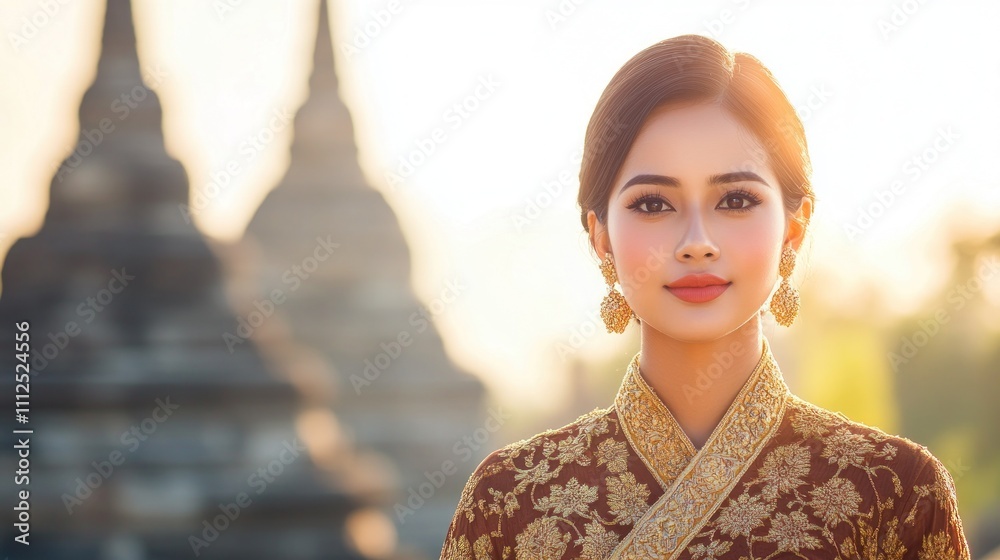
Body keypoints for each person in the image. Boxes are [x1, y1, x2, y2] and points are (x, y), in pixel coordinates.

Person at [439, 34, 971, 559]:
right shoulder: (508, 501)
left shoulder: (894, 493)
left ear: (793, 229)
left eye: (735, 200)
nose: (697, 242)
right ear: (601, 237)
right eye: (653, 204)